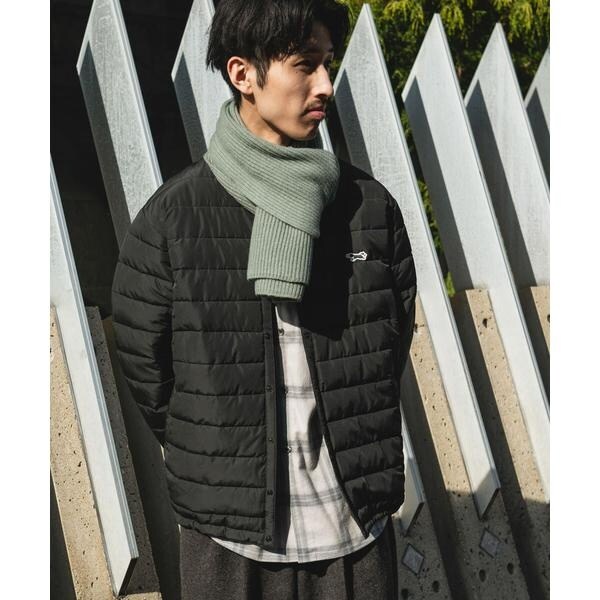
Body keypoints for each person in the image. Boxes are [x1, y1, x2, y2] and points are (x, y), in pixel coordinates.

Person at [111, 1, 417, 598]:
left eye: (327, 63)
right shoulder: (176, 217)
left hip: (353, 525)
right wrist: (217, 449)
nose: (325, 84)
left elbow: (390, 340)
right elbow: (145, 360)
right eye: (305, 65)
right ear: (243, 74)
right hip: (231, 538)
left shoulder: (368, 209)